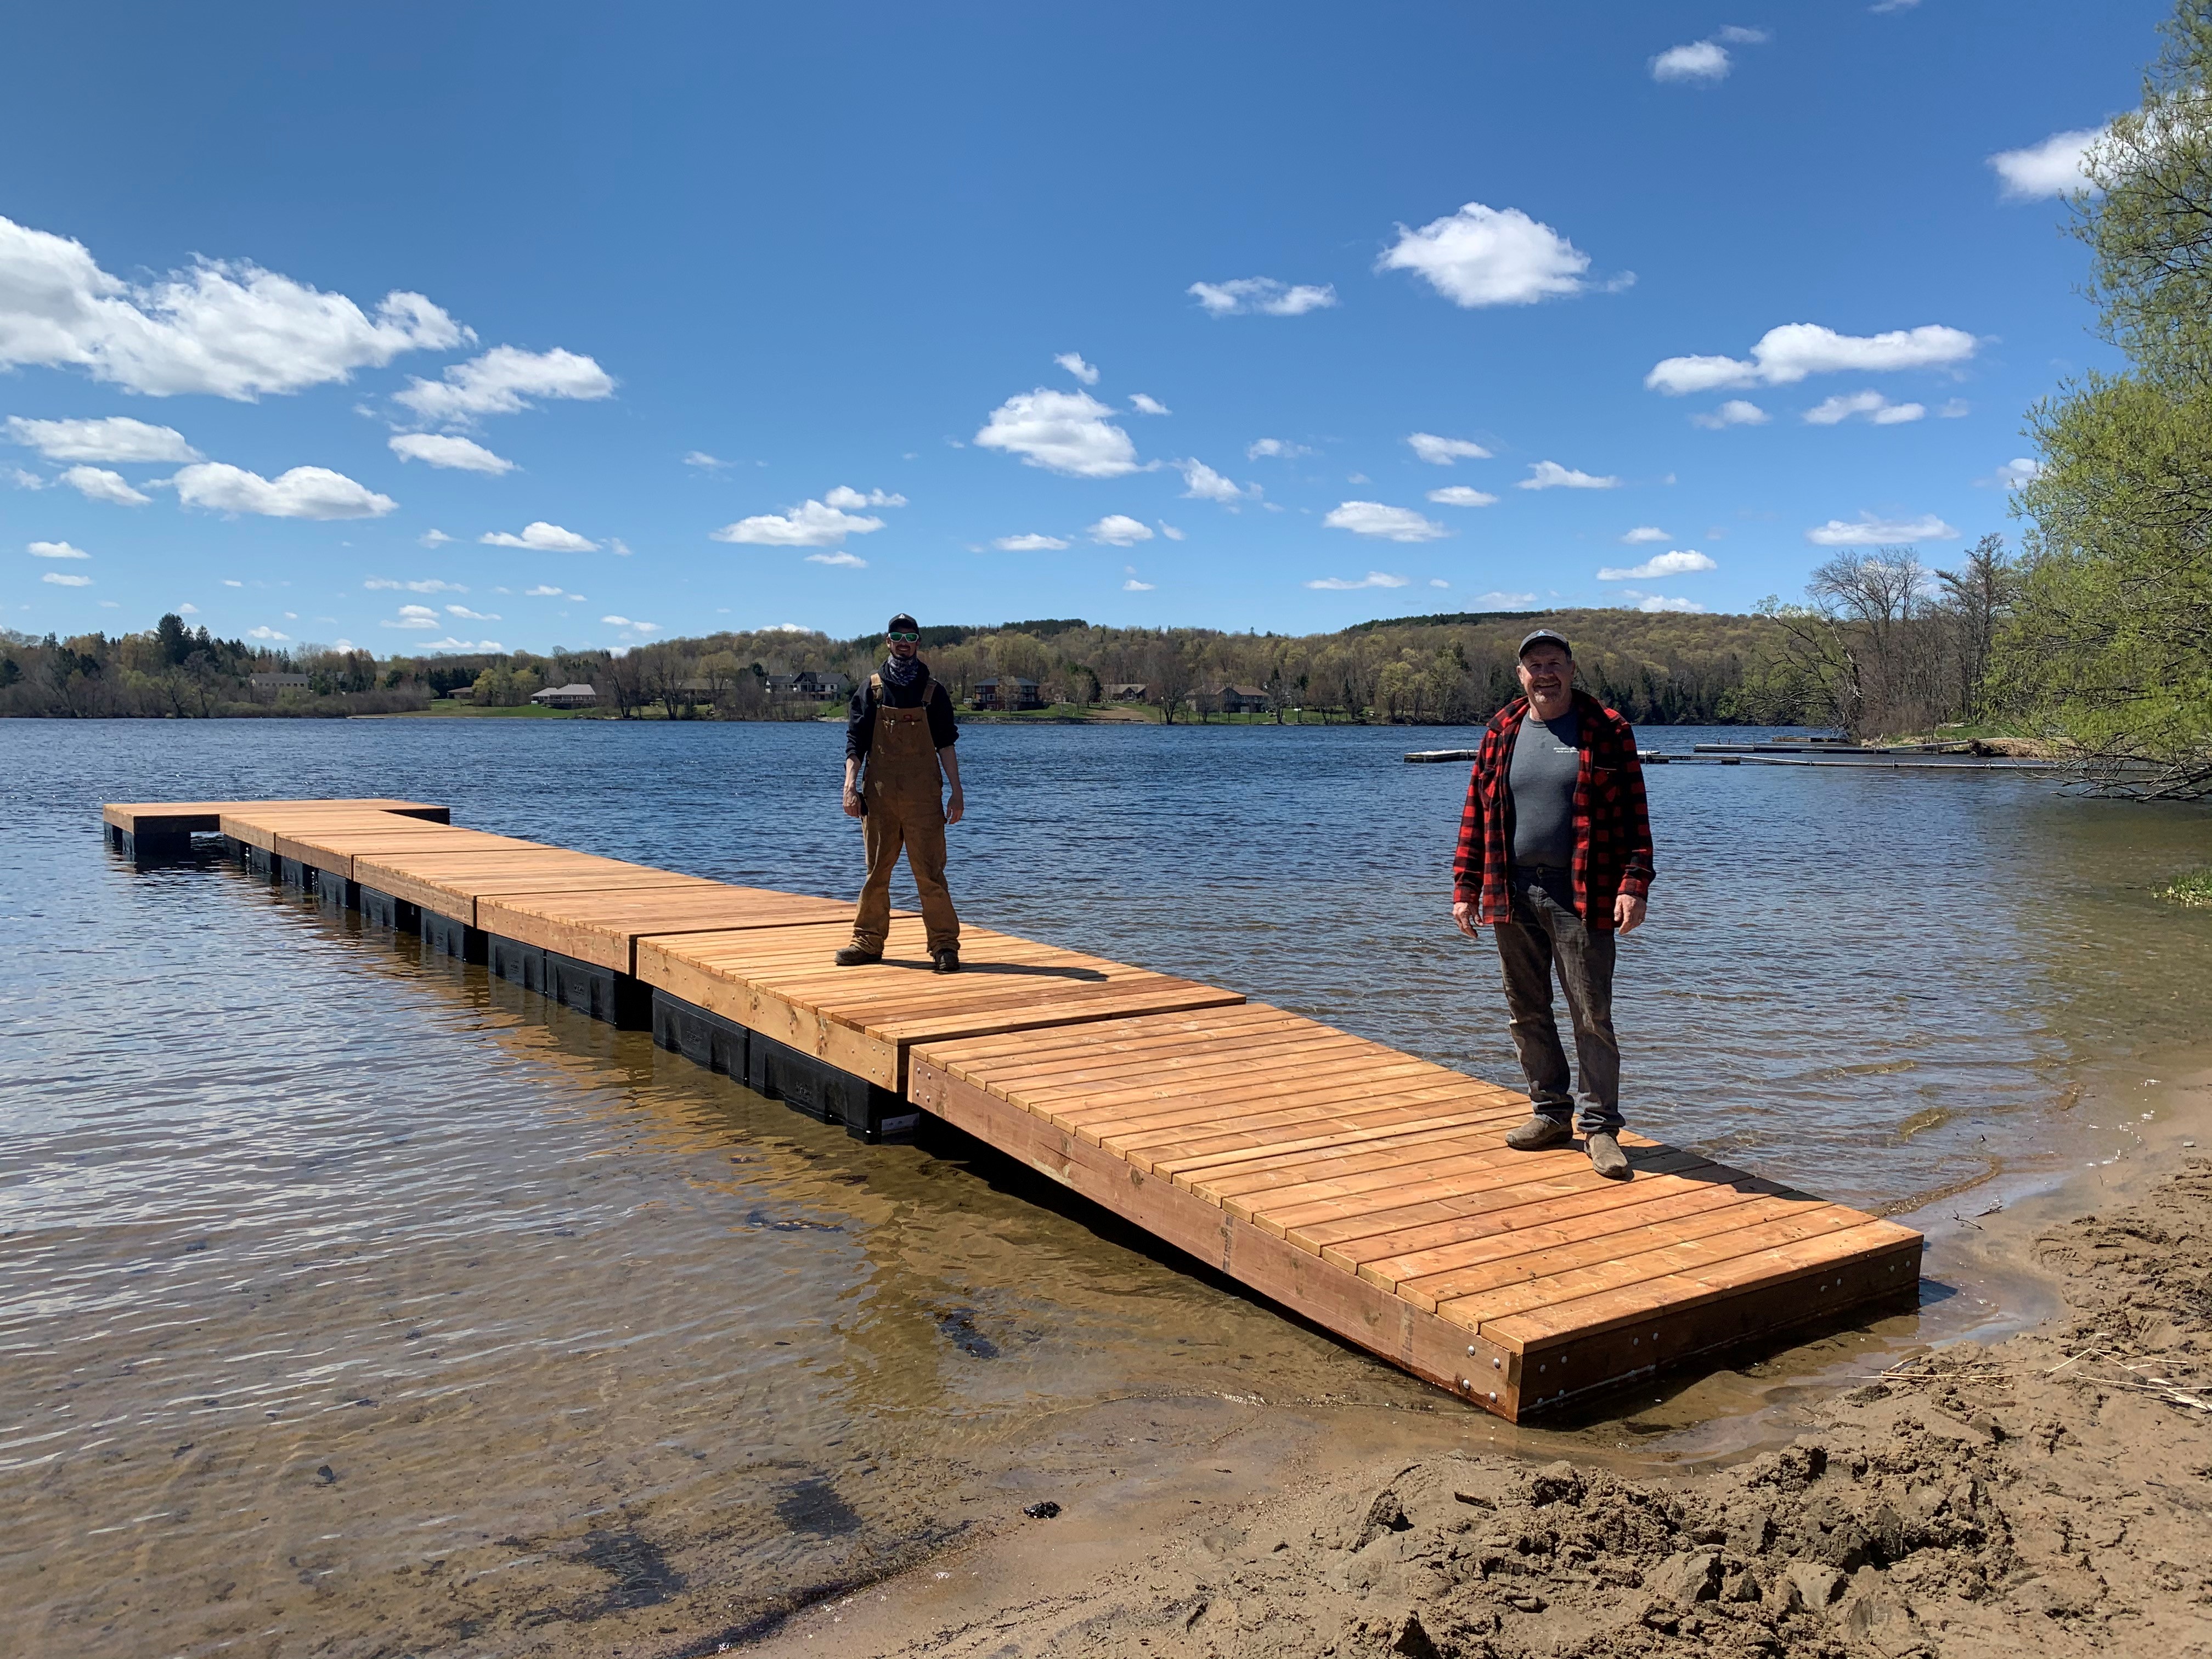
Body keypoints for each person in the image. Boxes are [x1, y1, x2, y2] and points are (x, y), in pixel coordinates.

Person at [1452, 628, 1654, 1180]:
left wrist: (1635, 886)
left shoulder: (1608, 730)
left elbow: (1637, 819)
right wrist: (1465, 887)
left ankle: (1601, 1129)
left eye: (1554, 663)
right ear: (1522, 675)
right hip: (1510, 887)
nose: (1545, 673)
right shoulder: (1501, 730)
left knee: (1592, 1015)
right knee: (1527, 1010)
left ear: (1571, 669)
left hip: (1582, 892)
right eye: (1534, 665)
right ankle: (1550, 1113)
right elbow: (1476, 812)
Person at [837, 614, 964, 973]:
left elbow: (946, 744)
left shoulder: (933, 691)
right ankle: (867, 942)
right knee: (876, 872)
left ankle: (944, 946)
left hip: (925, 798)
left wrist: (956, 792)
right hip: (878, 797)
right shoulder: (871, 689)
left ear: (919, 643)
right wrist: (850, 787)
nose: (904, 642)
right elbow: (855, 743)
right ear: (888, 641)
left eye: (910, 636)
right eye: (897, 636)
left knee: (931, 873)